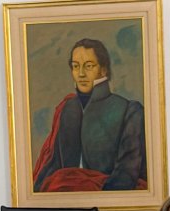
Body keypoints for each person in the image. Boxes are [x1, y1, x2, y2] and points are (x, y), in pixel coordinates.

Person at [33, 38, 147, 192]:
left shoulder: (130, 110)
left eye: (88, 66)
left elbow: (126, 173)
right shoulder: (67, 109)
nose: (81, 74)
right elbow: (54, 165)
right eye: (76, 66)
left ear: (103, 70)